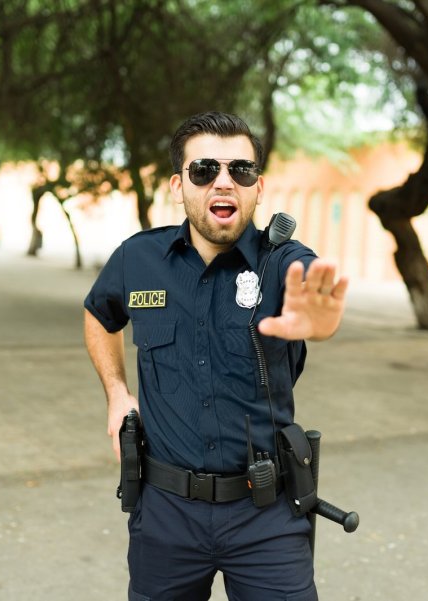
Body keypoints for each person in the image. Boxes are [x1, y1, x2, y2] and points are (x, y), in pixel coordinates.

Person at [84, 111, 347, 601]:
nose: (223, 182)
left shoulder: (284, 262)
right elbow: (99, 315)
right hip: (165, 514)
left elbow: (310, 289)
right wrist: (117, 393)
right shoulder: (138, 259)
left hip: (266, 516)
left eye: (240, 171)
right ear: (178, 185)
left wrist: (320, 323)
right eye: (204, 170)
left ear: (259, 187)